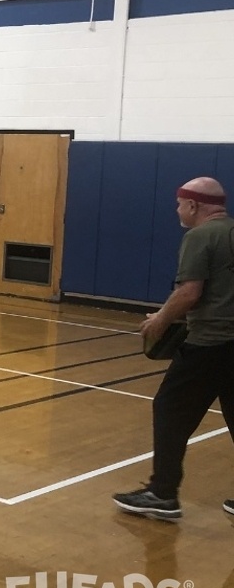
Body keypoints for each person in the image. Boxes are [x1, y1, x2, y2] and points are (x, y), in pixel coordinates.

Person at [113, 176, 234, 520]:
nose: (177, 210)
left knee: (169, 410)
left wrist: (161, 320)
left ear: (193, 205)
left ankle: (162, 494)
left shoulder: (199, 237)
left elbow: (189, 293)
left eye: (180, 204)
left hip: (209, 345)